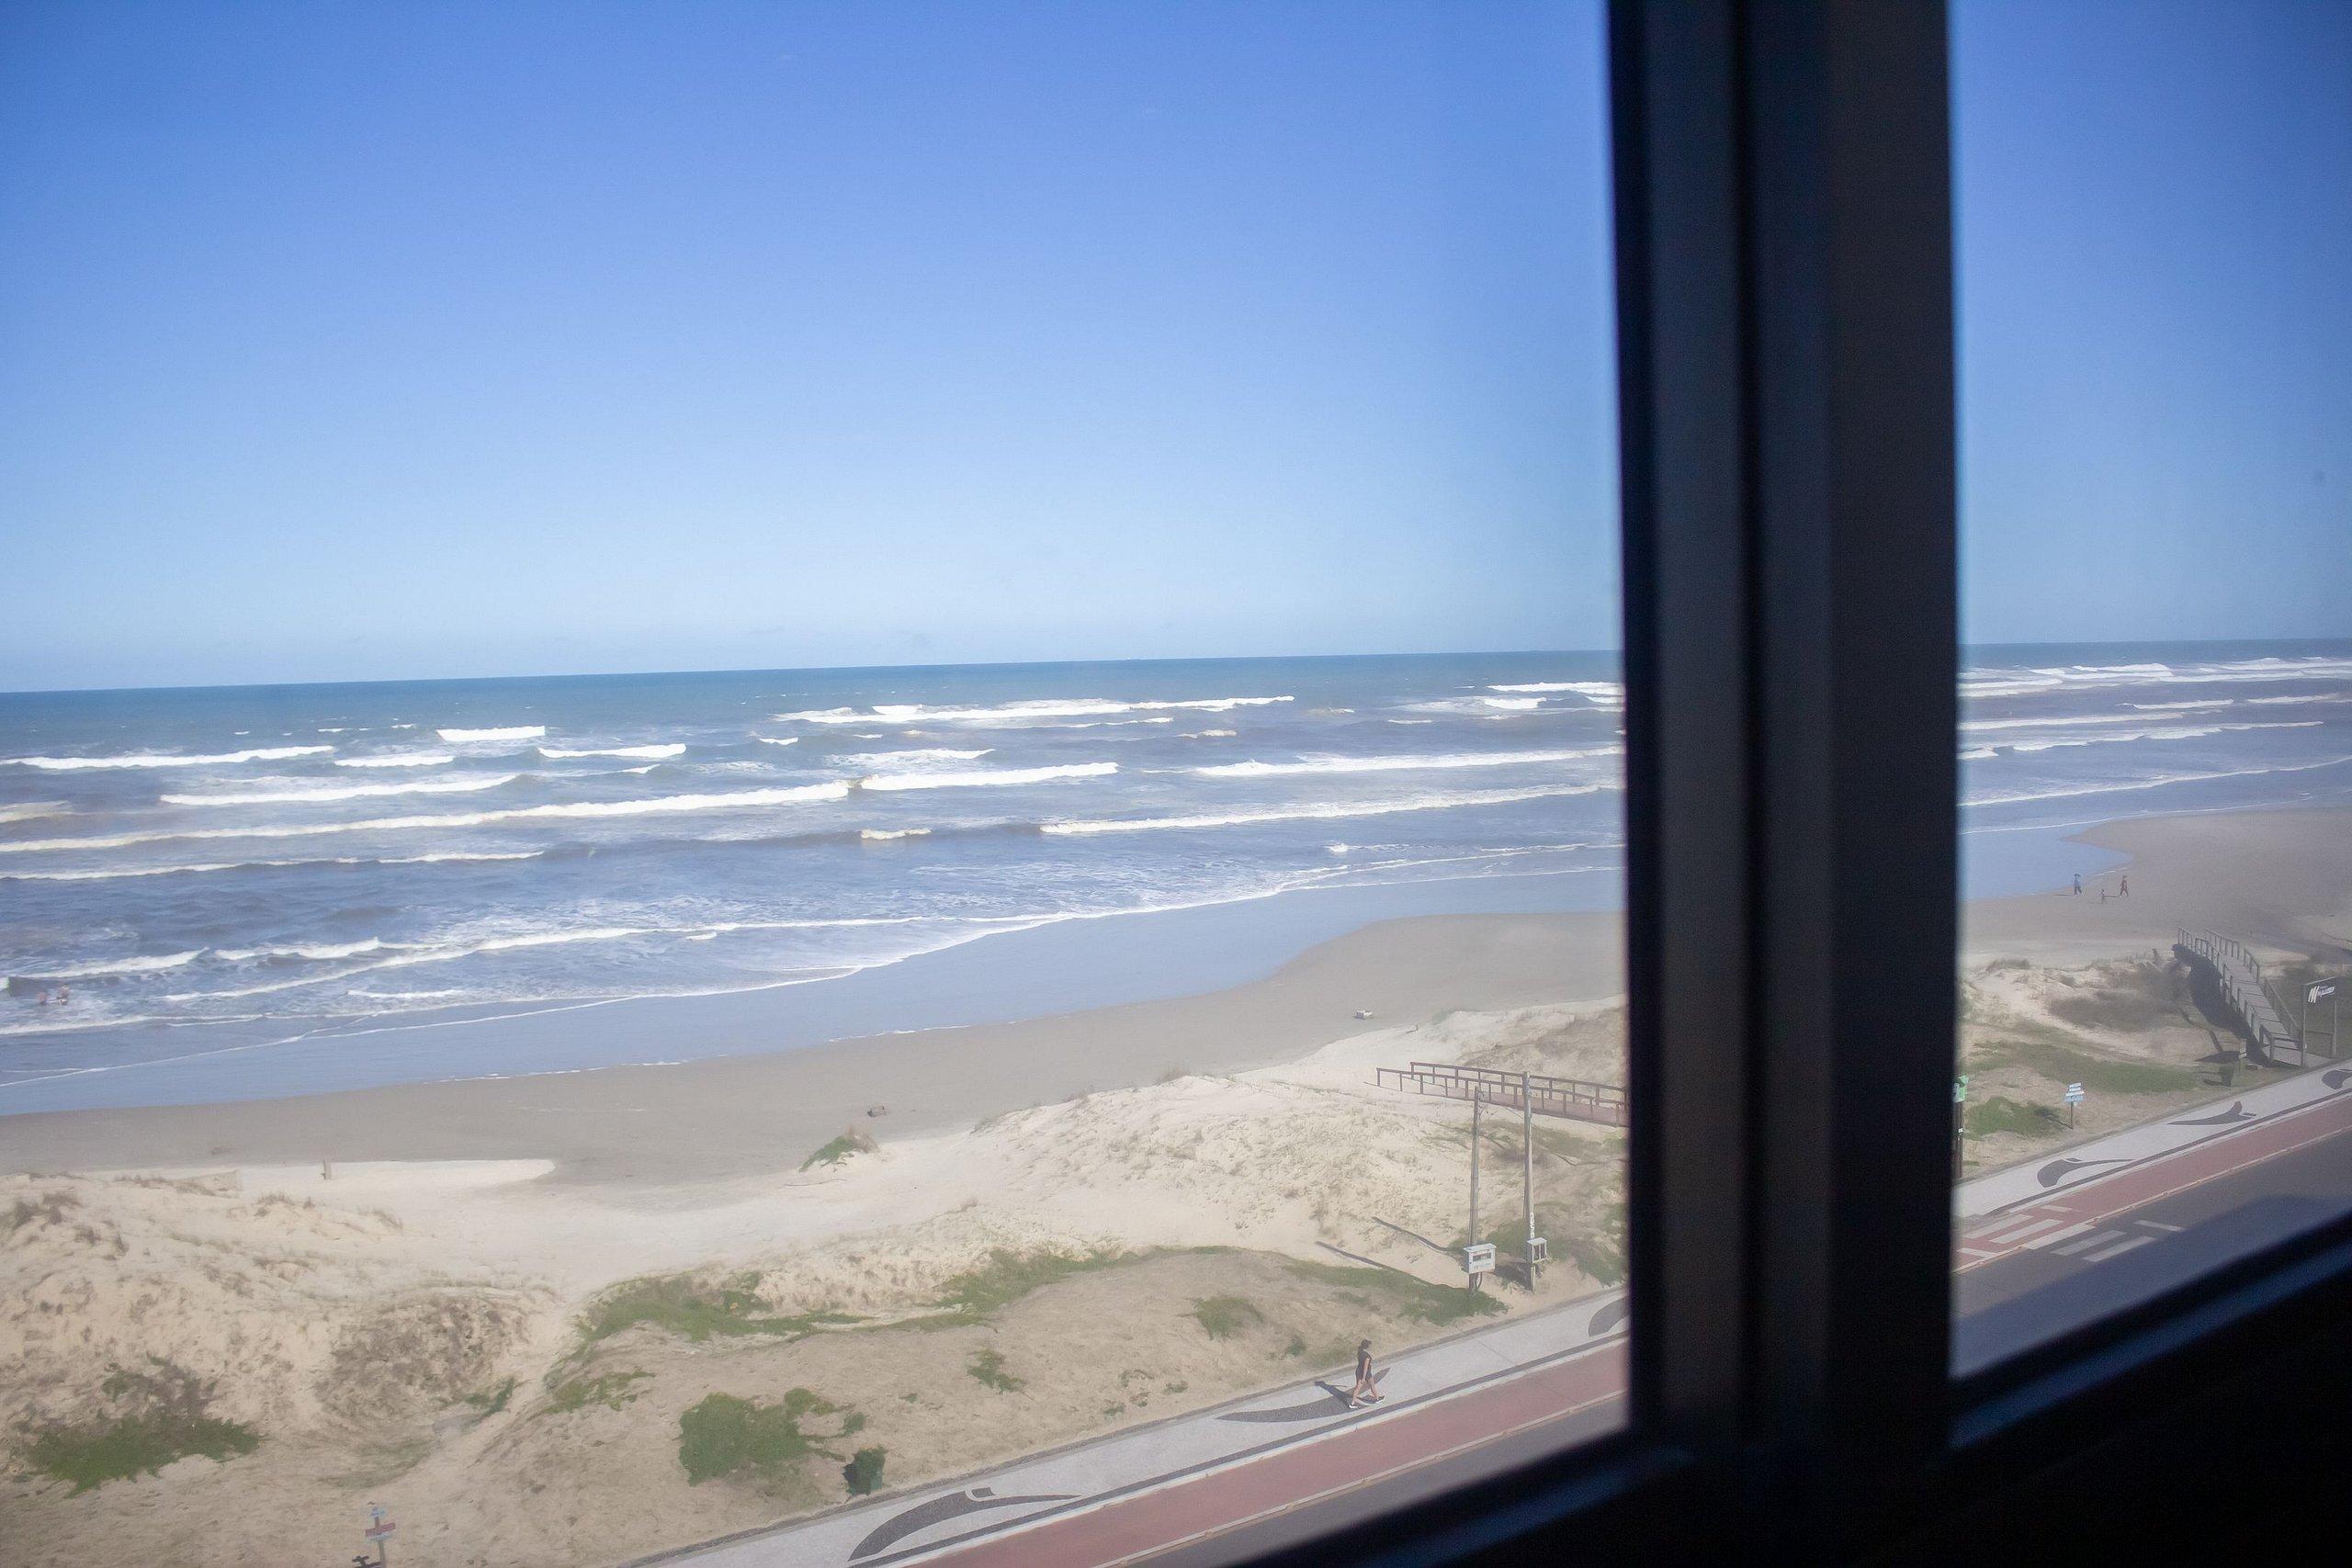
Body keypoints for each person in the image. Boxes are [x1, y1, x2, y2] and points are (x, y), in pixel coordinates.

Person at [1347, 1338, 1382, 1407]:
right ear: (1367, 1346)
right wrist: (1363, 1378)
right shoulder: (1367, 1357)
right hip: (1365, 1373)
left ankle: (1352, 1403)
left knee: (1358, 1387)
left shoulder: (1359, 1352)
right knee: (1371, 1385)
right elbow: (1365, 1367)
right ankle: (1377, 1399)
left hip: (1358, 1370)